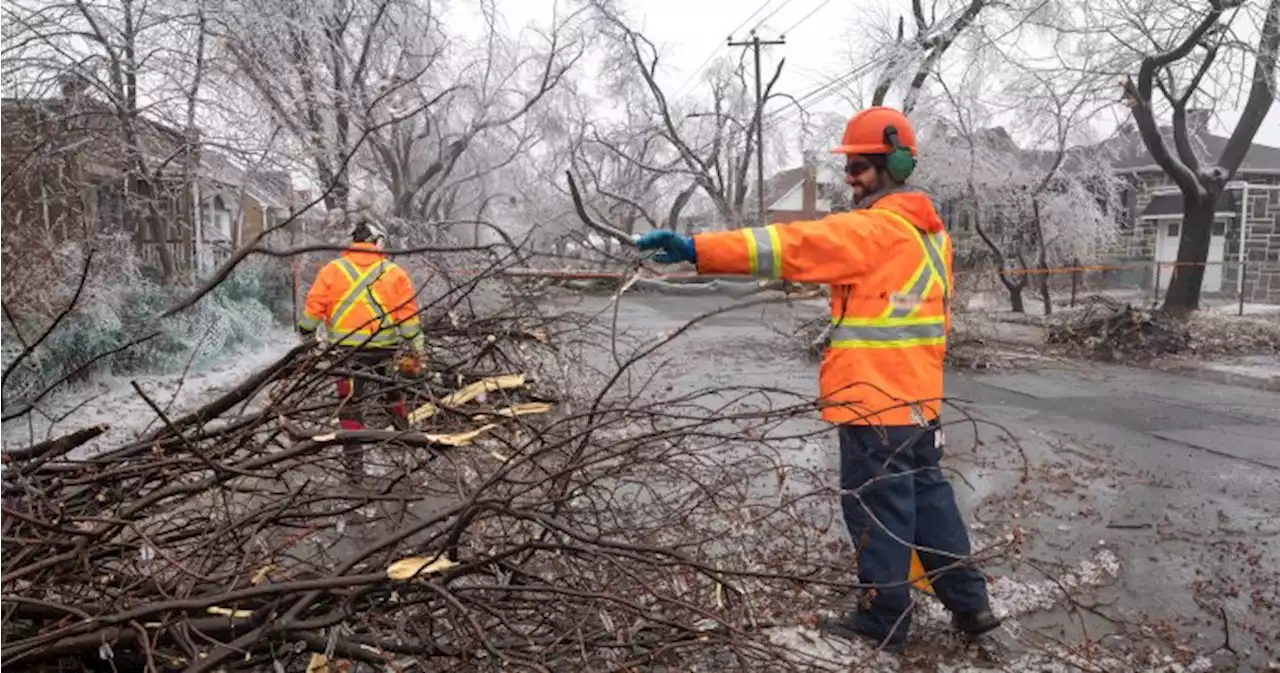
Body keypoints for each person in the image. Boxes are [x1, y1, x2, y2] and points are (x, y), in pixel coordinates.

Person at [636, 106, 999, 652]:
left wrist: (696, 249)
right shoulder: (934, 238)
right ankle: (971, 604)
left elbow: (786, 247)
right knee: (929, 501)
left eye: (857, 166)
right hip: (919, 403)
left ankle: (885, 619)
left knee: (878, 508)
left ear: (890, 165)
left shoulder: (872, 230)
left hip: (872, 402)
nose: (848, 177)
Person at [297, 216, 426, 475]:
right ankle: (407, 447)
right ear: (377, 242)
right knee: (392, 395)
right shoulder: (393, 272)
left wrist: (307, 339)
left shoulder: (333, 270)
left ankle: (353, 463)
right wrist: (417, 350)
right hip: (385, 349)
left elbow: (313, 310)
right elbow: (408, 318)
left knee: (350, 403)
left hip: (346, 353)